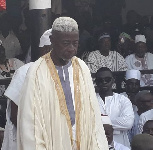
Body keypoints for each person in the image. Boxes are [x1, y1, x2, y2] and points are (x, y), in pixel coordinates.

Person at [17, 17, 109, 150]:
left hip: (82, 141)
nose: (71, 48)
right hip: (52, 141)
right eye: (66, 43)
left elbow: (92, 111)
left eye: (75, 43)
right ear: (53, 41)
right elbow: (30, 123)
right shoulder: (36, 72)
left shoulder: (82, 67)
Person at [95, 67, 134, 148]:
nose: (104, 82)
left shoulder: (123, 100)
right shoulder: (90, 100)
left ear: (113, 80)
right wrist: (116, 126)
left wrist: (99, 122)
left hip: (120, 144)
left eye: (107, 79)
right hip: (96, 143)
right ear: (96, 82)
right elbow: (88, 122)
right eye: (100, 80)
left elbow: (128, 123)